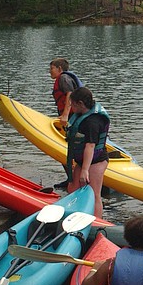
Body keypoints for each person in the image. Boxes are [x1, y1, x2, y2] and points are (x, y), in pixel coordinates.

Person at [65, 87, 109, 218]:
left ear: (80, 104)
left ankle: (97, 226)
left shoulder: (93, 122)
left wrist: (85, 170)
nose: (71, 107)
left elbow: (90, 146)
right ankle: (76, 216)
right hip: (83, 161)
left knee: (94, 194)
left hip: (96, 161)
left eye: (72, 104)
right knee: (73, 189)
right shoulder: (81, 115)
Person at [50, 58, 83, 189]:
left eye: (51, 68)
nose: (49, 72)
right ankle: (71, 178)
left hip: (73, 118)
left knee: (71, 148)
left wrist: (65, 114)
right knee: (64, 149)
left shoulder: (63, 78)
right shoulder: (63, 79)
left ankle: (75, 179)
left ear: (59, 69)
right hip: (70, 118)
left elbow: (70, 94)